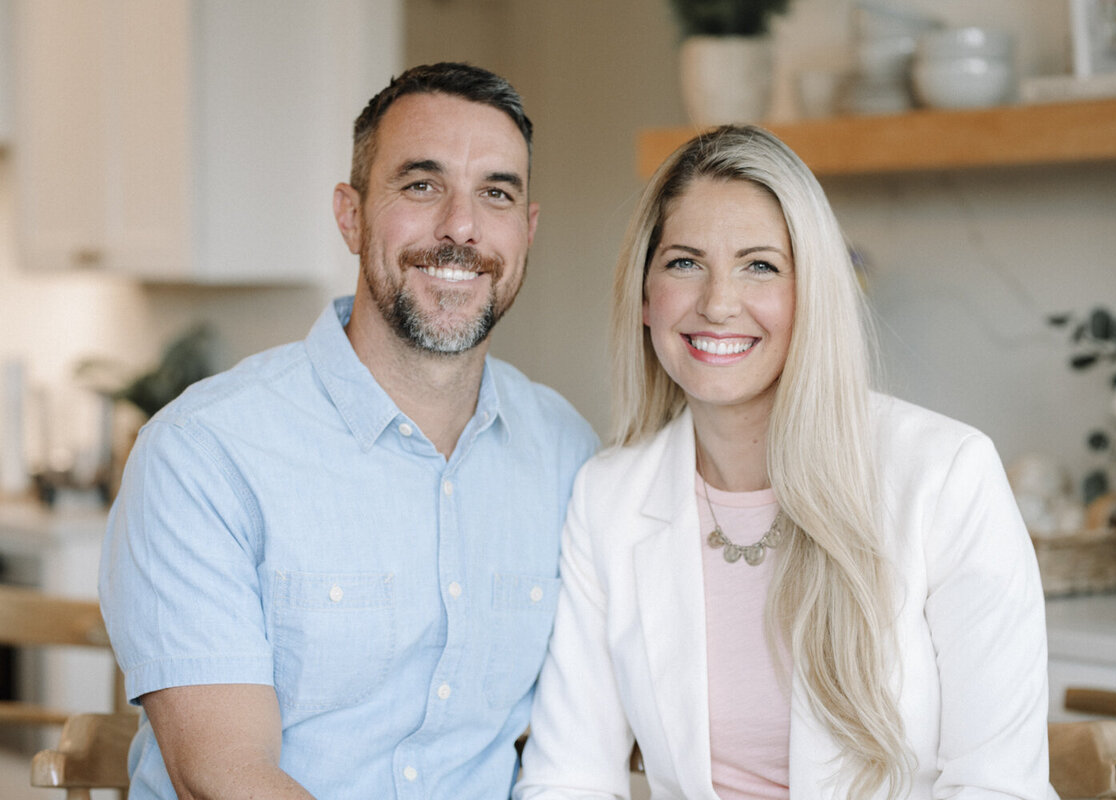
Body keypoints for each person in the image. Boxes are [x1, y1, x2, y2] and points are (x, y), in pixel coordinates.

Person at [100, 62, 597, 799]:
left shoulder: (566, 452)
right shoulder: (203, 453)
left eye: (496, 193)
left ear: (525, 232)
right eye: (422, 185)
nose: (462, 226)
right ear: (351, 214)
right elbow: (227, 777)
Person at [513, 125, 1052, 800]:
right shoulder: (607, 499)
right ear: (646, 296)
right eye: (684, 262)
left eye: (759, 265)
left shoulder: (948, 477)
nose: (717, 302)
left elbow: (999, 787)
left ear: (813, 294)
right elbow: (570, 777)